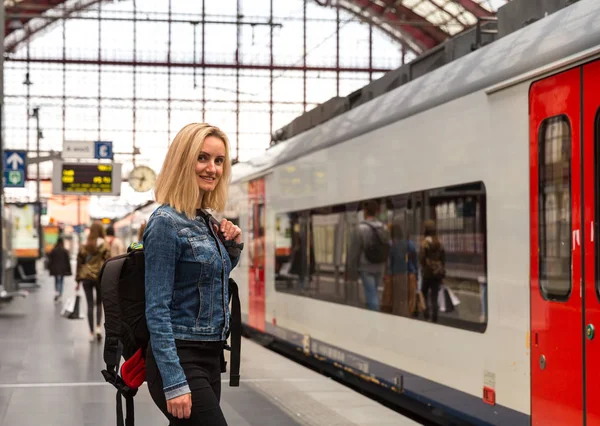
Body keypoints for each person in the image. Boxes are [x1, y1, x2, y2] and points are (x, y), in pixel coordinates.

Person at [144, 123, 243, 425]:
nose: (212, 168)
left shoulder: (203, 220)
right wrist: (173, 380)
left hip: (210, 355)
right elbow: (157, 308)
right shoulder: (165, 222)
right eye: (202, 158)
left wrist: (233, 248)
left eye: (218, 160)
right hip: (180, 357)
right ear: (182, 161)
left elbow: (204, 282)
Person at [348, 200, 388, 311]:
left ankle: (374, 319)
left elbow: (354, 251)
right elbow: (387, 247)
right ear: (377, 211)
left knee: (371, 294)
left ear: (365, 211)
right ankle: (372, 313)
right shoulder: (383, 227)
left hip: (366, 266)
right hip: (380, 265)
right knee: (374, 292)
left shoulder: (360, 228)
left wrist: (351, 271)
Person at [76, 221, 110, 342]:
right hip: (99, 277)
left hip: (86, 277)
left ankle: (91, 333)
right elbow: (108, 260)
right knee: (98, 303)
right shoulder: (103, 244)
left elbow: (79, 262)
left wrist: (77, 280)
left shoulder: (85, 243)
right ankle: (98, 328)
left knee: (90, 304)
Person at [418, 219, 446, 323]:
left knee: (424, 293)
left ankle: (426, 315)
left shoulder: (424, 243)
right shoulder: (439, 242)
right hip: (437, 273)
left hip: (427, 273)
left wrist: (424, 265)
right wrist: (442, 274)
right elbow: (443, 259)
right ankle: (435, 318)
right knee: (434, 296)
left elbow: (421, 258)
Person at [47, 238, 72, 302]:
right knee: (61, 281)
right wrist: (69, 270)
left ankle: (57, 292)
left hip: (55, 269)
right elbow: (67, 261)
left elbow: (50, 260)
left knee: (56, 281)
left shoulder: (54, 250)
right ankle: (60, 294)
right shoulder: (64, 250)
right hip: (62, 269)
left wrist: (49, 268)